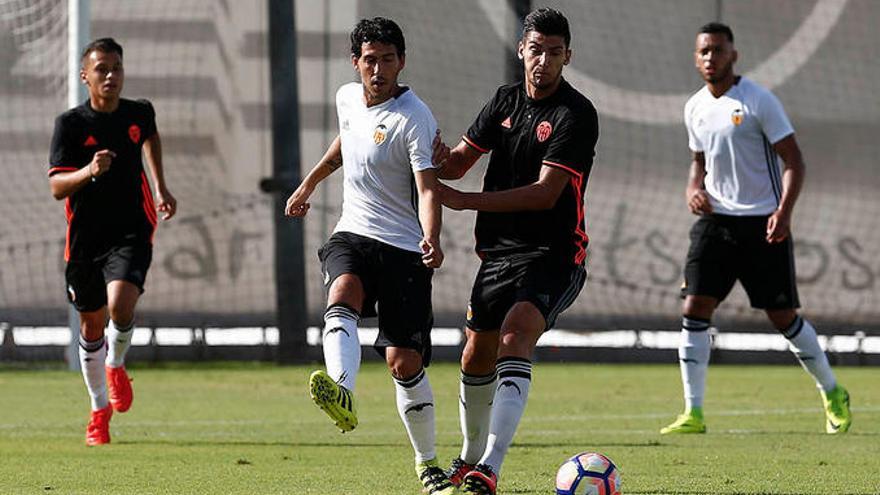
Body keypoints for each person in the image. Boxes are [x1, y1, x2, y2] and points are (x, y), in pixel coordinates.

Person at [431, 8, 598, 495]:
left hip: (555, 252)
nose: (543, 60)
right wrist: (424, 160)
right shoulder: (504, 100)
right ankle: (467, 458)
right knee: (474, 354)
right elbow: (460, 163)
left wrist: (464, 202)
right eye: (535, 49)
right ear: (521, 51)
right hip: (498, 255)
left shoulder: (576, 114)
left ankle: (491, 466)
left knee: (514, 334)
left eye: (553, 51)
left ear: (568, 56)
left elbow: (544, 193)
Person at [283, 17, 453, 495]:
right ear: (355, 62)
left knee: (404, 363)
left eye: (387, 59)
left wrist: (432, 237)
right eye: (369, 60)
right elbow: (344, 143)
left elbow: (427, 187)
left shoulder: (415, 117)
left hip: (402, 248)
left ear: (402, 61)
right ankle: (342, 390)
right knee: (342, 291)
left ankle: (428, 464)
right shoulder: (346, 97)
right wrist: (308, 183)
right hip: (353, 234)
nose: (378, 69)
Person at [660, 22, 852, 435]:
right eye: (703, 51)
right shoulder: (694, 106)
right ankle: (693, 412)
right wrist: (694, 188)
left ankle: (833, 391)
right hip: (715, 224)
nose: (710, 57)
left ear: (734, 54)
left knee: (782, 316)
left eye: (717, 50)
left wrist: (783, 212)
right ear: (696, 58)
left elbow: (794, 161)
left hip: (763, 225)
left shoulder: (758, 101)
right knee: (694, 307)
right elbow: (699, 161)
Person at [48, 37, 177, 446]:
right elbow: (56, 187)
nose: (110, 75)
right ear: (85, 75)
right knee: (91, 325)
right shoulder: (70, 124)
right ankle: (99, 410)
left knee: (121, 305)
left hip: (132, 229)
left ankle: (116, 364)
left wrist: (160, 186)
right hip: (85, 241)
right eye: (101, 69)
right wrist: (89, 171)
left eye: (116, 68)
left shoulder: (139, 113)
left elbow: (151, 137)